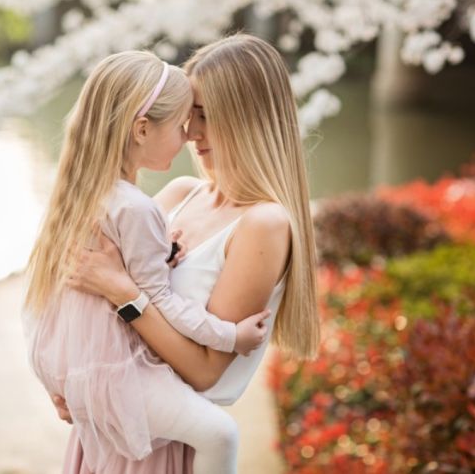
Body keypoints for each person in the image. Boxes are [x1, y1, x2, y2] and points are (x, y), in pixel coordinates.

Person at [56, 33, 321, 472]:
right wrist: (70, 379)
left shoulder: (263, 224)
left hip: (168, 449)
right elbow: (81, 270)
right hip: (111, 429)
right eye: (186, 115)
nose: (191, 132)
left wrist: (123, 292)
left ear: (249, 119)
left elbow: (204, 371)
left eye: (205, 115)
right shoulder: (181, 193)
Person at [22, 50, 271, 474]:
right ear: (141, 128)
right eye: (181, 124)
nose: (190, 135)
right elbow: (160, 301)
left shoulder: (79, 196)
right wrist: (232, 336)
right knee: (220, 434)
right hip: (120, 374)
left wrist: (56, 377)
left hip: (78, 371)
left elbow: (39, 301)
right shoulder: (138, 207)